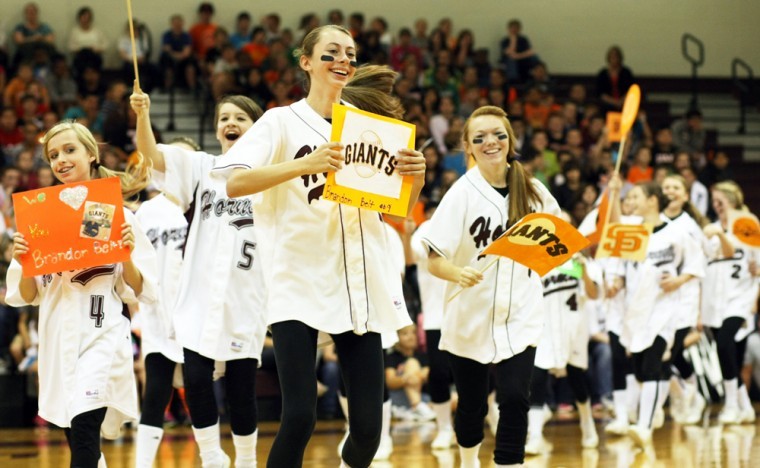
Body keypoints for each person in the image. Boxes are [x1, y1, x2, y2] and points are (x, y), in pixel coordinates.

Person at [212, 25, 426, 468]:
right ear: (306, 61)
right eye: (331, 53)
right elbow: (234, 182)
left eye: (349, 53)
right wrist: (303, 164)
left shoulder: (371, 126)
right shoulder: (279, 121)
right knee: (300, 416)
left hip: (358, 279)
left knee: (368, 427)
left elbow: (400, 207)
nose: (342, 60)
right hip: (298, 279)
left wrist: (416, 176)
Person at [5, 120, 157, 467]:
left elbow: (139, 289)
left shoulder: (116, 214)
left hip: (103, 334)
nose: (60, 159)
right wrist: (23, 259)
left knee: (86, 426)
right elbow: (28, 294)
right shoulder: (37, 219)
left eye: (69, 150)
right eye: (53, 154)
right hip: (59, 338)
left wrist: (126, 255)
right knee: (77, 435)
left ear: (91, 154)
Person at [131, 90, 267, 467]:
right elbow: (153, 155)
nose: (231, 123)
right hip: (199, 295)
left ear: (256, 128)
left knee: (242, 391)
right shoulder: (202, 166)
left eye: (240, 117)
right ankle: (211, 455)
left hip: (246, 296)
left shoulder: (271, 176)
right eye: (224, 117)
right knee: (195, 379)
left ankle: (246, 459)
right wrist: (143, 116)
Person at [422, 105, 561, 467]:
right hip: (472, 313)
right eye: (480, 137)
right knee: (472, 405)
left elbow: (556, 243)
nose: (491, 142)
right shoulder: (461, 193)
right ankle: (468, 461)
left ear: (510, 140)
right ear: (467, 146)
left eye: (498, 134)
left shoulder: (533, 190)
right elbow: (433, 259)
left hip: (520, 312)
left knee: (515, 398)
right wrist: (457, 273)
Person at [609, 181, 704, 448]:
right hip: (636, 310)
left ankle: (644, 426)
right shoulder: (633, 232)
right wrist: (616, 282)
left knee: (652, 365)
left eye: (636, 195)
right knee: (640, 370)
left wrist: (678, 280)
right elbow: (617, 246)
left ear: (652, 200)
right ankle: (662, 404)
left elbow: (696, 265)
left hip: (665, 309)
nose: (633, 199)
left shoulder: (676, 233)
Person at [133, 139, 193, 467]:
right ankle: (142, 462)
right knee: (156, 391)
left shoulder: (200, 205)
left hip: (197, 313)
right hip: (158, 312)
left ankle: (213, 456)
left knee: (201, 392)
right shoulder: (147, 211)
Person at [526, 250, 602, 455]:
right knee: (537, 378)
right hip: (546, 329)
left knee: (577, 378)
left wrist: (584, 271)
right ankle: (535, 436)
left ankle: (587, 422)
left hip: (573, 327)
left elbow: (594, 294)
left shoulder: (581, 262)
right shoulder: (538, 261)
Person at [701, 181, 759, 425]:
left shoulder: (748, 224)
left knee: (725, 345)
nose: (717, 206)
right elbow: (704, 262)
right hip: (715, 299)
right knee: (729, 354)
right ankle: (744, 404)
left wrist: (756, 295)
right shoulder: (710, 229)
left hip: (740, 297)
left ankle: (731, 403)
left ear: (733, 200)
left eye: (720, 201)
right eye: (713, 202)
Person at [660, 174, 709, 424]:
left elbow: (699, 269)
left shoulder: (691, 226)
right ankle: (691, 392)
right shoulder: (655, 221)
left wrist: (700, 311)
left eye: (675, 187)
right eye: (666, 186)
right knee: (671, 353)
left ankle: (685, 393)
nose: (670, 190)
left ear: (686, 194)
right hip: (659, 298)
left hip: (685, 298)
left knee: (668, 352)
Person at [67, 6, 107, 74]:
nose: (86, 20)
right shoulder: (74, 32)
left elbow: (105, 44)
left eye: (88, 17)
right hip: (80, 56)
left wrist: (97, 49)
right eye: (84, 17)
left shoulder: (97, 31)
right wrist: (81, 49)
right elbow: (71, 46)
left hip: (94, 56)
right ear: (79, 18)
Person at [595, 46, 634, 115]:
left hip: (624, 101)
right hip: (608, 103)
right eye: (612, 57)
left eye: (616, 57)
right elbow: (601, 93)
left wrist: (621, 101)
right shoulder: (603, 74)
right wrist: (614, 102)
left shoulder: (626, 73)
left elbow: (631, 89)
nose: (614, 59)